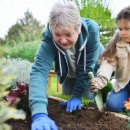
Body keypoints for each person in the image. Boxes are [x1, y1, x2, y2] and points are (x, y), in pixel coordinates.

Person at [29, 2, 104, 130]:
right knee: (67, 92)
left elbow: (86, 67)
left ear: (78, 28)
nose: (63, 40)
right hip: (69, 70)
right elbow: (39, 71)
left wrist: (77, 96)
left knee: (87, 96)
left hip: (88, 68)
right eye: (57, 34)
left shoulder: (91, 31)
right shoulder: (48, 37)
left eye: (68, 34)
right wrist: (39, 113)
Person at [90, 6, 130, 113]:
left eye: (127, 28)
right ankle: (117, 98)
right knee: (112, 105)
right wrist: (100, 80)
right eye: (120, 29)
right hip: (124, 84)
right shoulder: (117, 42)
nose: (123, 32)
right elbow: (108, 63)